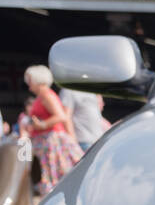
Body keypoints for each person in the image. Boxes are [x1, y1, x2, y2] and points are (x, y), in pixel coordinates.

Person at [23, 65, 84, 196]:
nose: (28, 85)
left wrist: (42, 125)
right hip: (44, 142)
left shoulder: (46, 95)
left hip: (51, 141)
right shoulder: (42, 96)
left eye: (30, 80)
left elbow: (61, 116)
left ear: (37, 80)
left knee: (53, 177)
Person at [60, 88, 109, 153]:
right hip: (82, 142)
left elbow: (97, 117)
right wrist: (73, 142)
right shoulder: (69, 90)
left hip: (98, 142)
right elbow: (66, 117)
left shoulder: (89, 90)